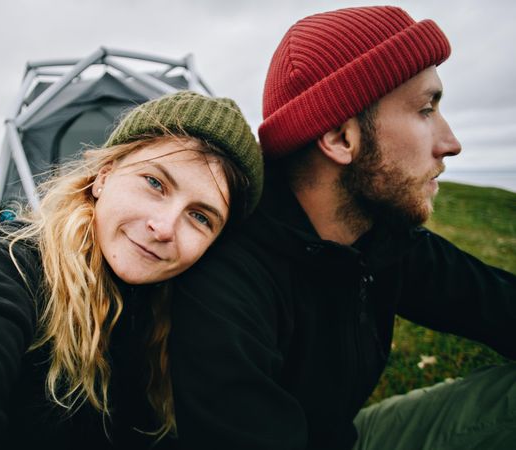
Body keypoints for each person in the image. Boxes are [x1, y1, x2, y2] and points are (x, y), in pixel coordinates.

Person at [169, 6, 516, 450]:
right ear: (339, 138)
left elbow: (492, 301)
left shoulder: (380, 235)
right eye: (426, 109)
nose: (451, 144)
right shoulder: (225, 287)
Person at [0, 91, 264, 449]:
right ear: (103, 176)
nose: (163, 227)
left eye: (200, 217)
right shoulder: (12, 262)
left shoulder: (197, 307)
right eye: (154, 182)